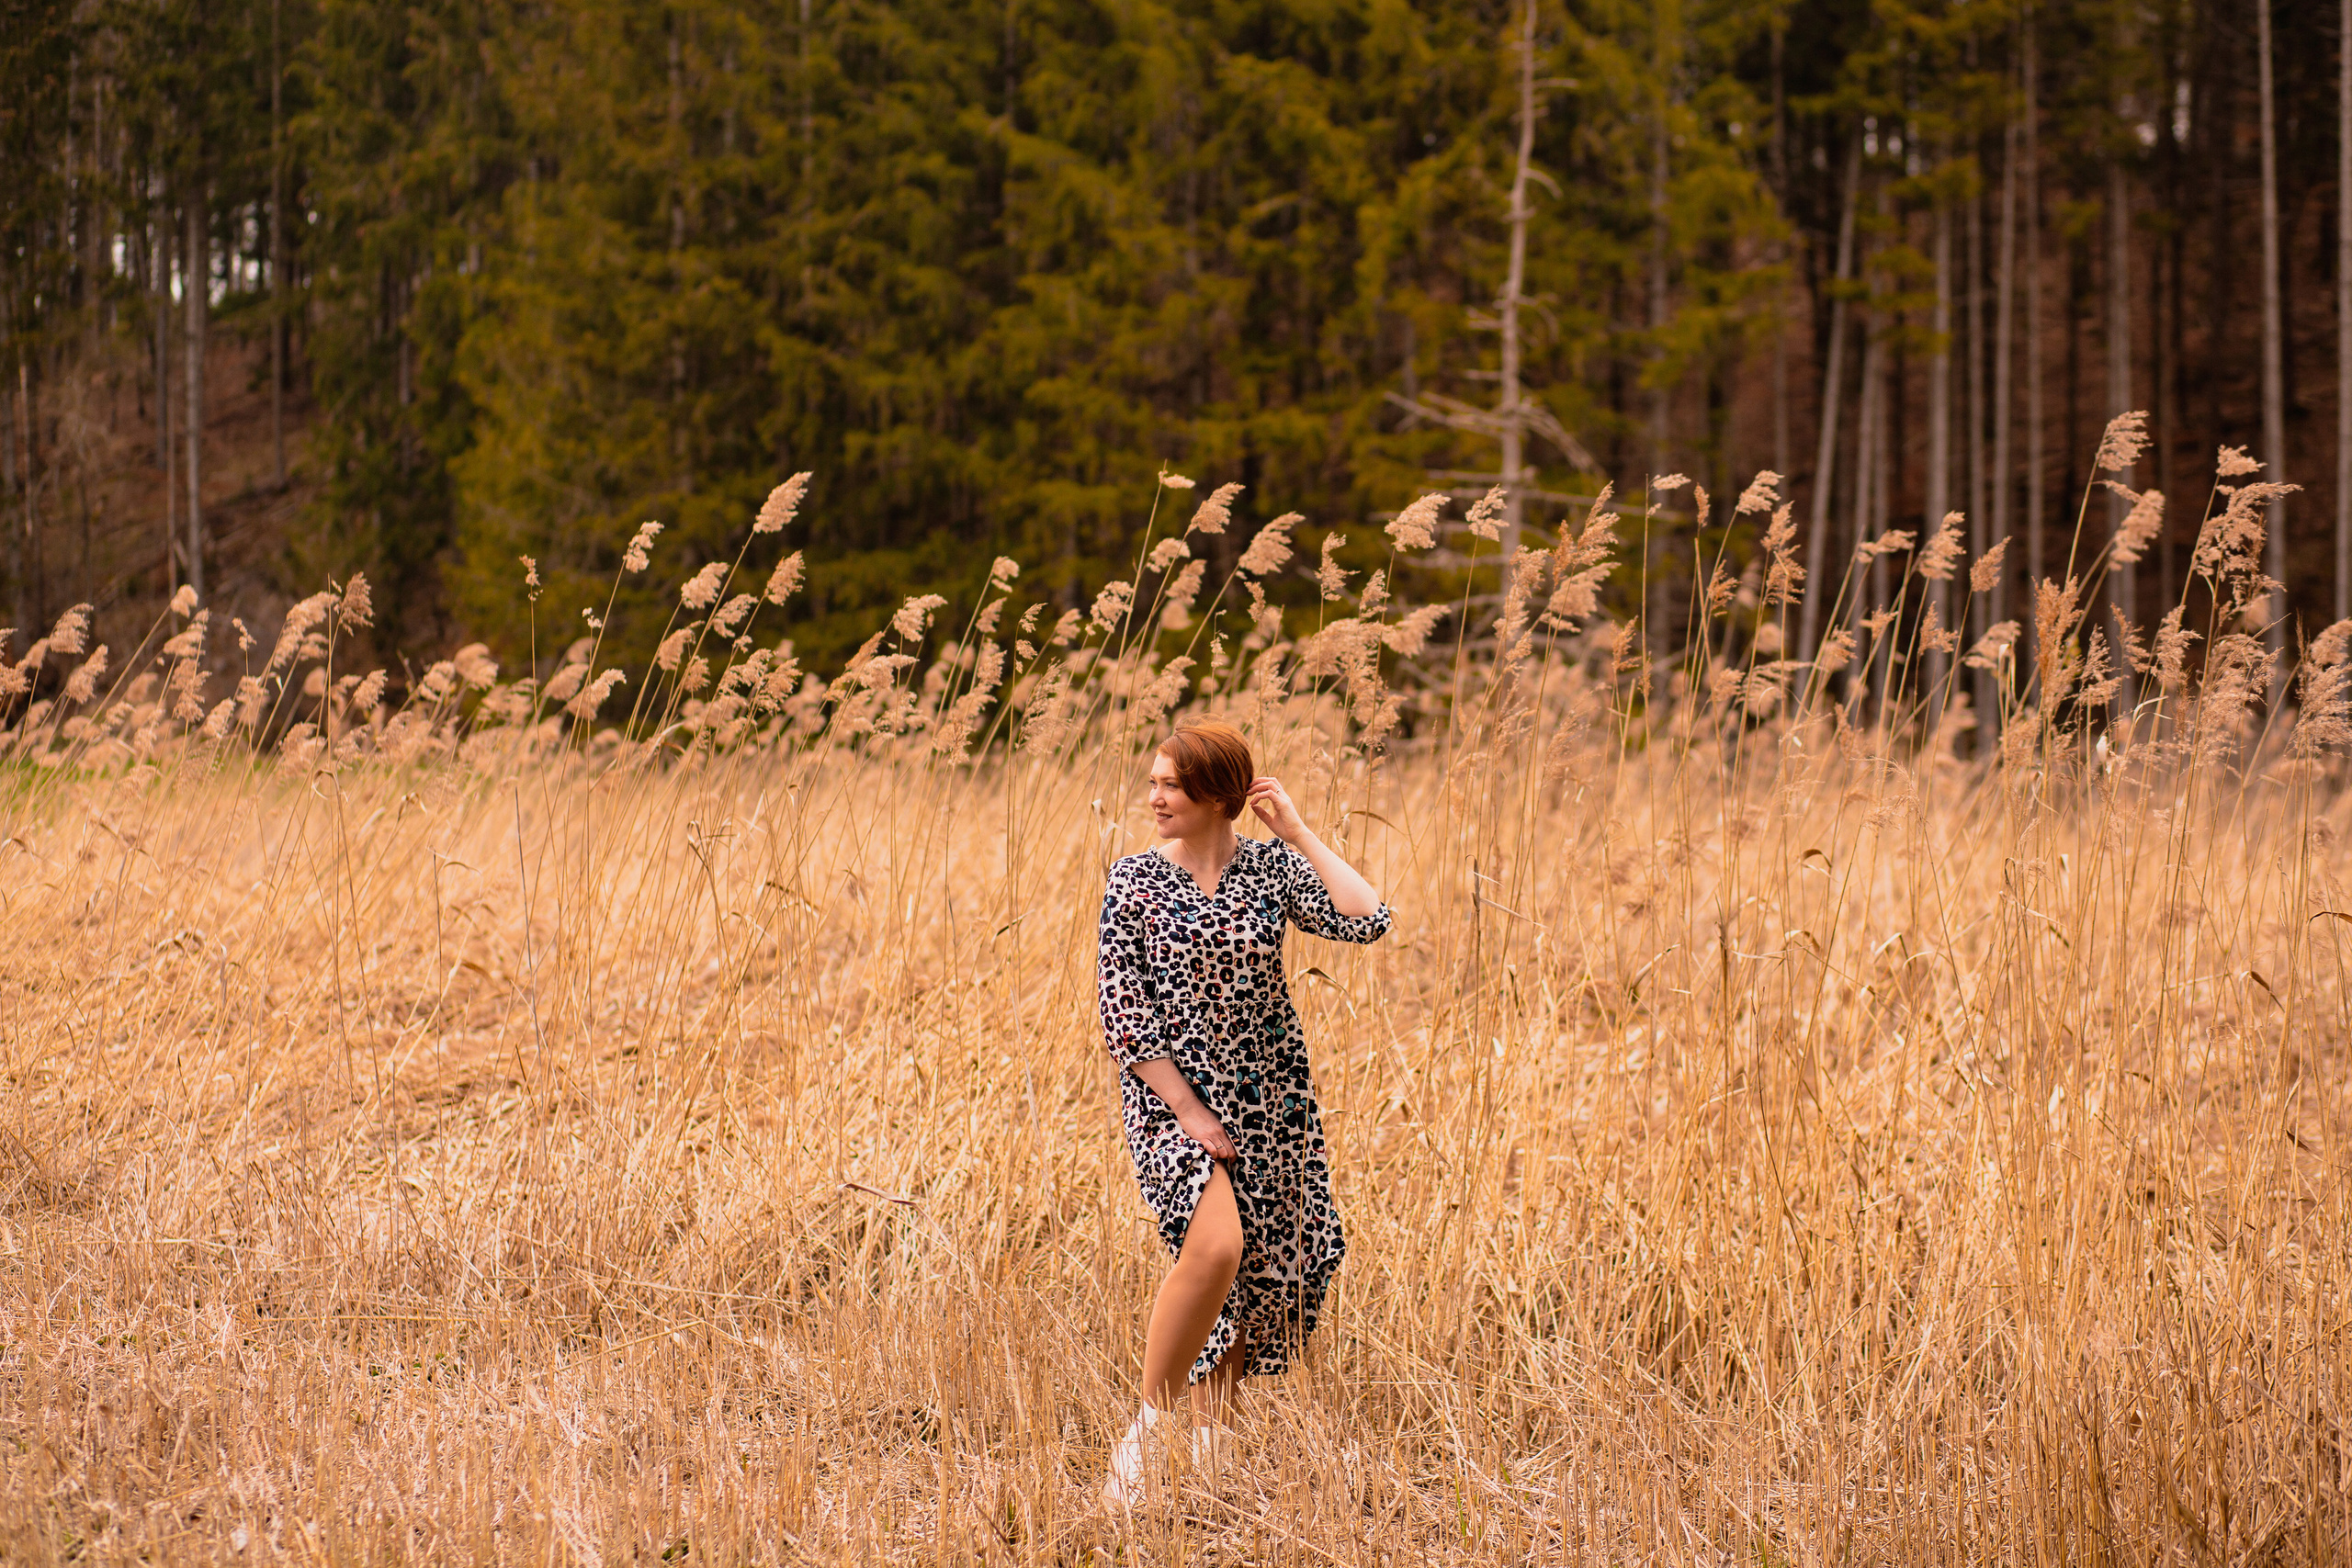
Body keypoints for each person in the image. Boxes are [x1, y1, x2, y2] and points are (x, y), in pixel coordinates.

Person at [1096, 716, 1392, 1506]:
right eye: (1153, 780)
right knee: (1217, 1247)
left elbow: (1367, 917)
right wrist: (1188, 1110)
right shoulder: (1132, 880)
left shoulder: (1269, 871)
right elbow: (1122, 1011)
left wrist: (1298, 831)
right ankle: (1146, 1435)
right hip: (1169, 1098)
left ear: (1218, 795)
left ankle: (1211, 1451)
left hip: (1270, 1096)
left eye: (1170, 783)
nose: (1154, 795)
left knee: (1264, 1268)